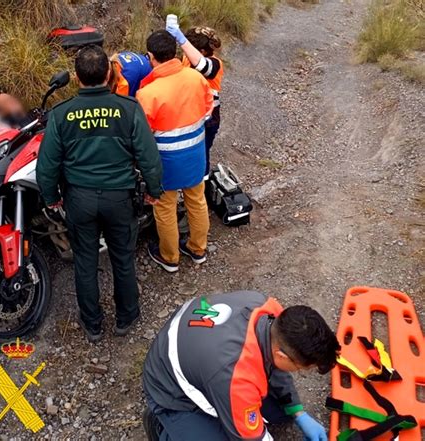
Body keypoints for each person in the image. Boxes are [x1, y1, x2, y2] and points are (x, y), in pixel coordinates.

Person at [36, 45, 162, 342]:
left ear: (77, 77)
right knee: (122, 258)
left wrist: (51, 197)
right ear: (109, 73)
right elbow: (149, 156)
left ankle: (92, 324)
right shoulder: (129, 109)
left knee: (85, 261)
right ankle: (126, 317)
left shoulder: (60, 115)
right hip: (120, 198)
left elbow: (47, 164)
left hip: (79, 199)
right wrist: (154, 190)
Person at [142, 291, 341, 441]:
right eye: (301, 368)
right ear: (281, 355)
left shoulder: (269, 311)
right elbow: (252, 438)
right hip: (168, 389)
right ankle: (162, 426)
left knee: (280, 413)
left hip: (197, 350)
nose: (300, 372)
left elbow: (278, 368)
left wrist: (298, 412)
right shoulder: (235, 377)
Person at [136, 30, 213, 273]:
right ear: (175, 52)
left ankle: (170, 257)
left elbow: (142, 138)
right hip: (195, 154)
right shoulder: (196, 78)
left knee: (164, 207)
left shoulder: (147, 93)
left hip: (166, 162)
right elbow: (208, 111)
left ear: (151, 57)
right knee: (197, 201)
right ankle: (198, 249)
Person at [166, 21, 224, 178]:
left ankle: (201, 187)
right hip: (188, 115)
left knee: (201, 156)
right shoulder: (187, 58)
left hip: (208, 119)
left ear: (203, 51)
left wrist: (181, 39)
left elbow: (202, 66)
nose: (186, 51)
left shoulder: (215, 64)